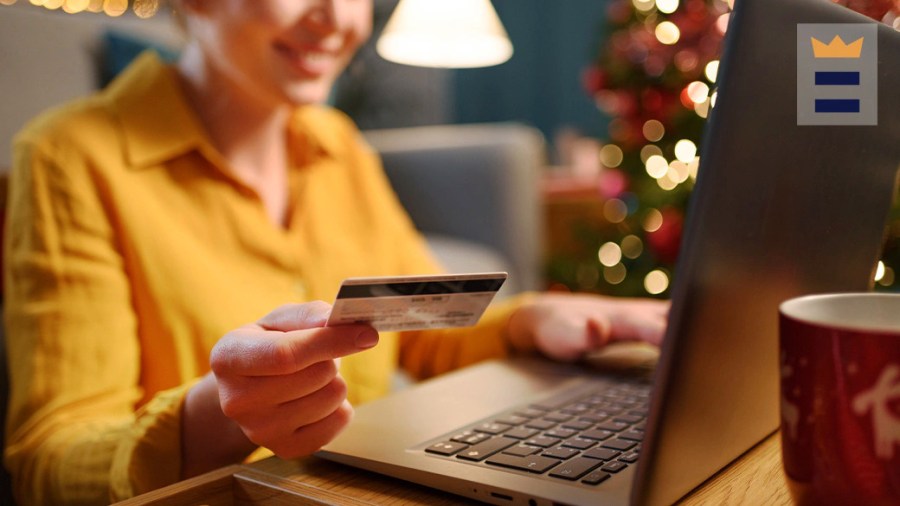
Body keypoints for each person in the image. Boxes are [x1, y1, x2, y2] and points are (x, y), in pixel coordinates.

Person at [1, 0, 668, 504]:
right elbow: (46, 466)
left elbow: (423, 329)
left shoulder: (337, 144)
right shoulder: (69, 157)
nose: (337, 20)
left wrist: (529, 319)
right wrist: (219, 413)